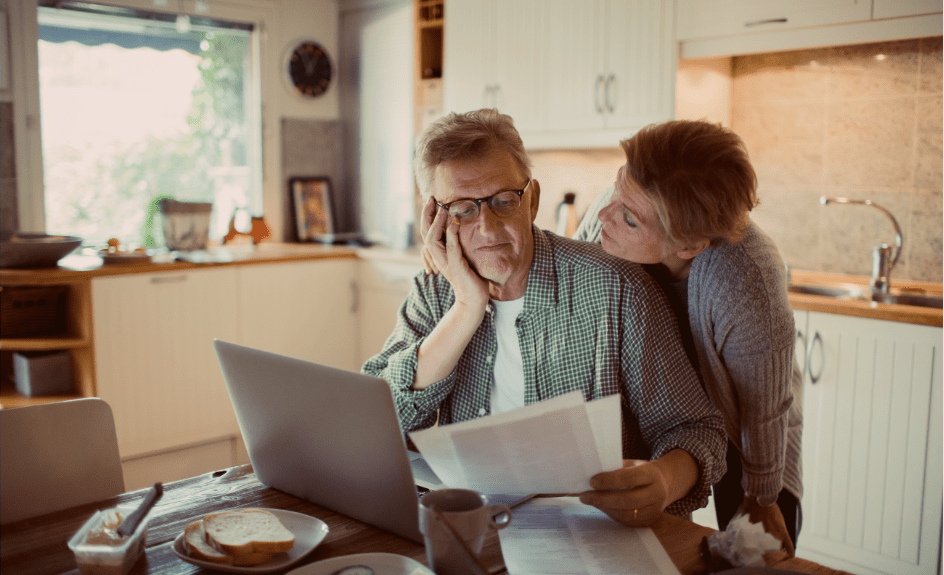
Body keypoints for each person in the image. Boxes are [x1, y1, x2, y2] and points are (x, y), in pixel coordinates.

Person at [363, 109, 726, 525]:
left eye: (503, 201)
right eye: (463, 209)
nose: (487, 228)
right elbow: (378, 424)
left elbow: (698, 430)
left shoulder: (616, 288)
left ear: (532, 199)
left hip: (588, 532)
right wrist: (466, 307)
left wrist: (662, 480)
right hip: (472, 527)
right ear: (435, 218)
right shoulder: (435, 291)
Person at [573, 119, 803, 554]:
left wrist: (762, 496)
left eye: (629, 219)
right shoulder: (617, 210)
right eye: (615, 189)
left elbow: (763, 407)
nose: (603, 213)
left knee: (755, 545)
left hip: (745, 421)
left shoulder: (746, 279)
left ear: (689, 246)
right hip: (661, 412)